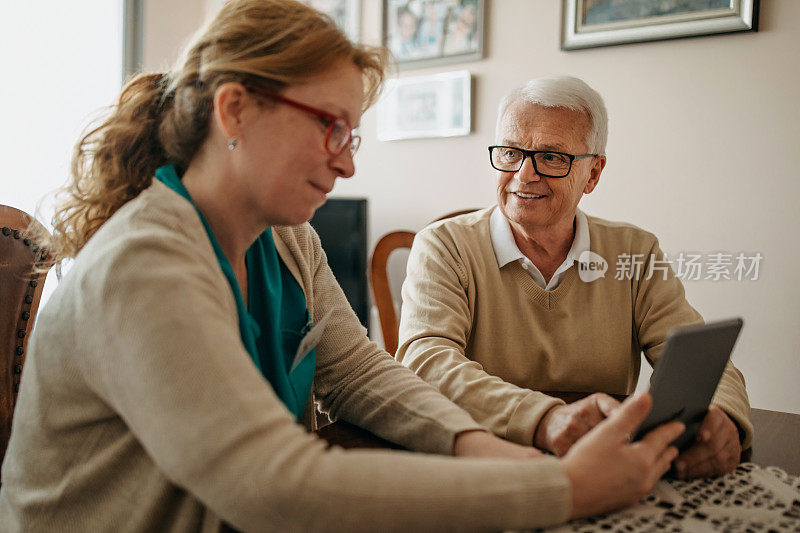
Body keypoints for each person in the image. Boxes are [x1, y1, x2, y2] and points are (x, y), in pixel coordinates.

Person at [0, 4, 684, 531]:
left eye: (351, 134)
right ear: (235, 108)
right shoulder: (142, 263)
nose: (348, 161)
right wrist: (561, 488)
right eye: (330, 126)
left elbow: (356, 369)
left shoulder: (287, 238)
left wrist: (486, 447)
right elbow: (273, 482)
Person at [397, 75, 752, 480]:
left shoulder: (635, 251)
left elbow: (702, 362)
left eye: (551, 157)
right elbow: (424, 362)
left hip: (604, 463)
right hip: (485, 466)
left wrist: (723, 418)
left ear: (594, 173)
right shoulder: (444, 246)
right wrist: (544, 419)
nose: (524, 174)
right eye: (511, 152)